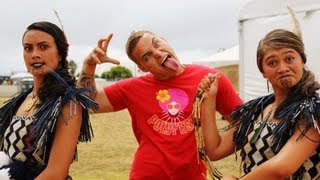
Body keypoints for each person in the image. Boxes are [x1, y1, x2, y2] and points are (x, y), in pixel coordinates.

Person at [77, 30, 243, 179]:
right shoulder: (133, 88)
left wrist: (216, 149)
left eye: (157, 43)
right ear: (142, 67)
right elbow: (90, 103)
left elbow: (244, 122)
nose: (157, 53)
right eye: (147, 56)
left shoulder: (211, 78)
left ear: (165, 40)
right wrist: (89, 66)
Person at [198, 29, 320, 179]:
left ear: (302, 60)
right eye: (272, 62)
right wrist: (209, 100)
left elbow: (282, 168)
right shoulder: (256, 110)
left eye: (289, 59)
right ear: (263, 71)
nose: (282, 68)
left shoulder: (313, 109)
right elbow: (215, 150)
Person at [0, 21, 98, 180]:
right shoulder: (20, 99)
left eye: (43, 47)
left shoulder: (68, 103)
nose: (34, 54)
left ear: (60, 53)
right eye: (28, 48)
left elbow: (56, 173)